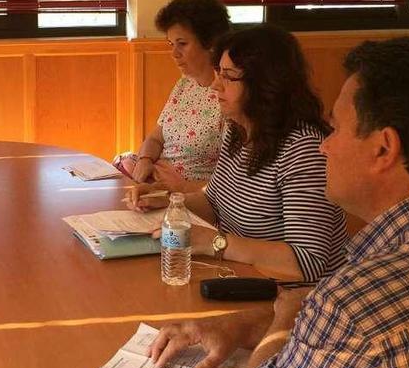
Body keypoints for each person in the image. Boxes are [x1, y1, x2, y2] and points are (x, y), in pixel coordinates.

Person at [147, 37, 409, 368]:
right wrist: (249, 324)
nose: (325, 145)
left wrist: (284, 318)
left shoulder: (350, 305)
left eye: (336, 127)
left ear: (383, 148)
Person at [127, 25, 347, 283]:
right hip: (240, 275)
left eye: (229, 76)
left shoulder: (304, 149)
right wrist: (170, 201)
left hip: (293, 297)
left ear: (265, 84)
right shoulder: (238, 130)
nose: (215, 86)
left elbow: (307, 262)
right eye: (218, 72)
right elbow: (215, 203)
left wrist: (216, 243)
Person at [115, 0, 230, 192]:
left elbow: (230, 184)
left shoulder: (229, 97)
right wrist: (145, 160)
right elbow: (155, 138)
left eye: (182, 44)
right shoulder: (185, 84)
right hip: (154, 178)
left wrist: (174, 191)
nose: (174, 54)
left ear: (211, 43)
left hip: (185, 195)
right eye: (171, 44)